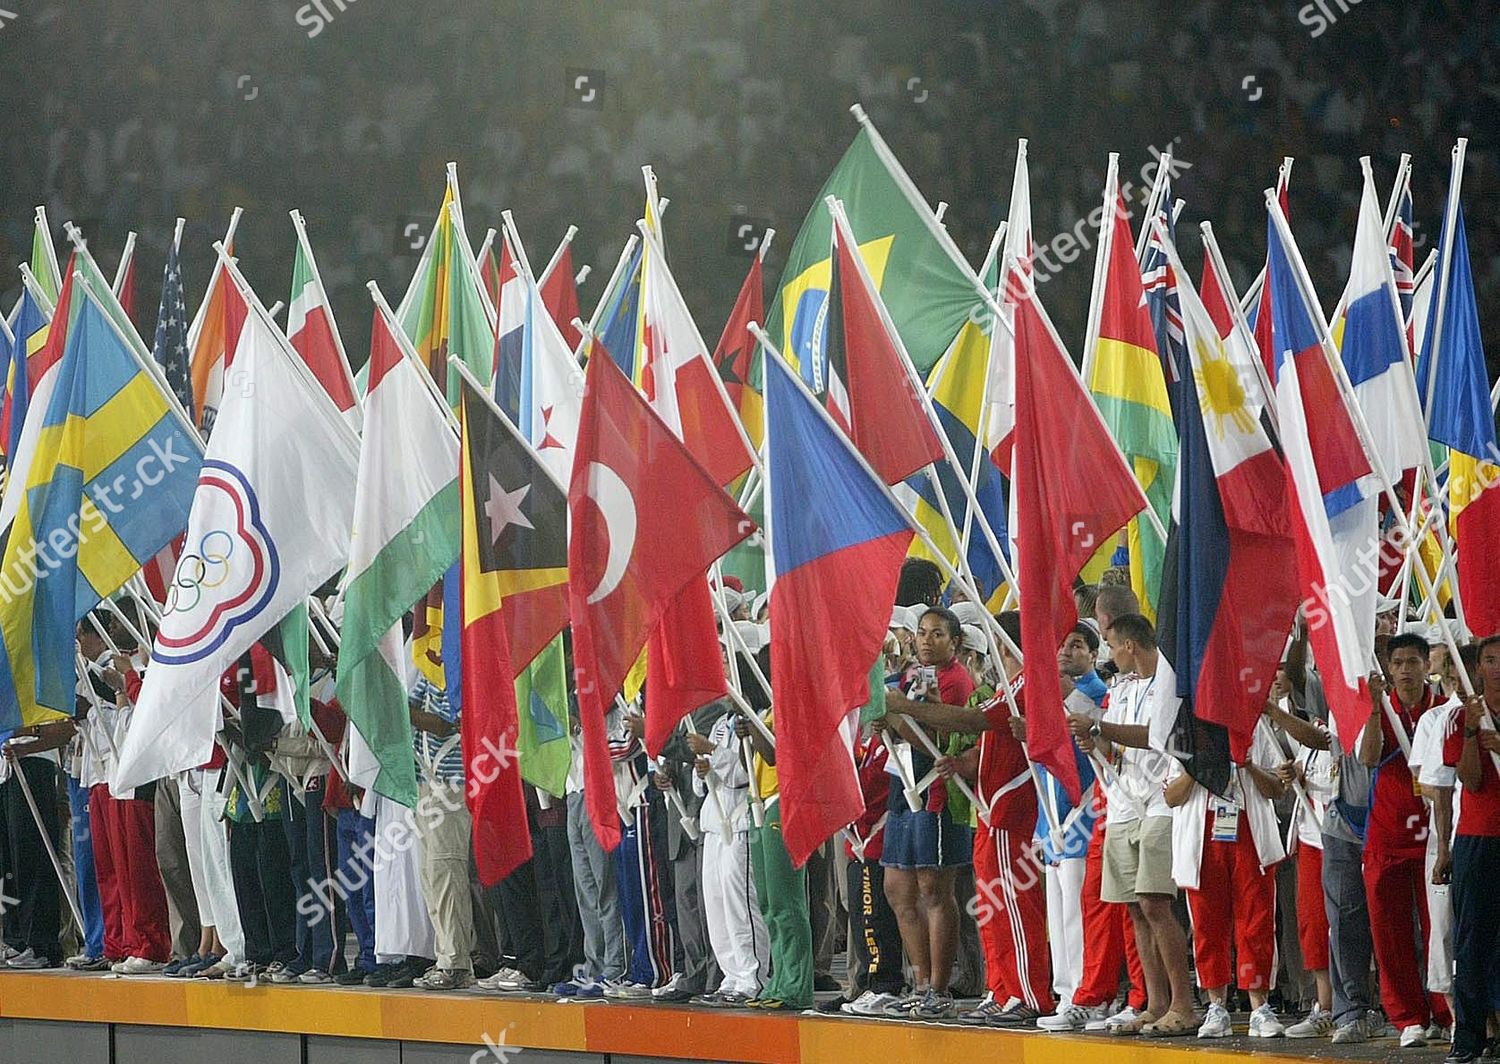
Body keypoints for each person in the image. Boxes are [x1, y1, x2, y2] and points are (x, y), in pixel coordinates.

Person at [899, 610, 1052, 1026]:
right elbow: (986, 739)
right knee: (990, 906)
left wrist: (906, 706)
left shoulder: (1025, 684)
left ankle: (1028, 994)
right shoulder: (1007, 685)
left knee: (1013, 909)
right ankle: (1001, 989)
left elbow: (974, 720)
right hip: (988, 806)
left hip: (1009, 808)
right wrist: (962, 762)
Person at [1068, 613, 1196, 1036]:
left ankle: (1183, 1004)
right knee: (1135, 909)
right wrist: (1096, 742)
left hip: (1161, 801)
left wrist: (1101, 727)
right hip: (1122, 803)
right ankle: (1155, 1003)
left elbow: (1157, 735)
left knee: (1156, 903)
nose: (1108, 653)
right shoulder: (1121, 688)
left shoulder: (1169, 682)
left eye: (1110, 644)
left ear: (1129, 646)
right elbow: (1117, 742)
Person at [876, 607, 976, 1020]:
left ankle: (939, 987)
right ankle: (918, 981)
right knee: (897, 889)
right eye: (921, 633)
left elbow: (941, 741)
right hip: (902, 789)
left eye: (937, 634)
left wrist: (899, 717)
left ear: (955, 641)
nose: (926, 640)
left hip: (936, 791)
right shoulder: (908, 677)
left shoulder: (958, 682)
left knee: (935, 889)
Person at [1164, 715, 1288, 1038]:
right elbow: (1171, 795)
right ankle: (1216, 1006)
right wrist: (1197, 767)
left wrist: (1247, 765)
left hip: (1249, 829)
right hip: (1202, 834)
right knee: (1207, 924)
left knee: (1257, 921)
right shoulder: (1186, 728)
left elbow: (1277, 787)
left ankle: (1259, 1006)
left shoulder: (1254, 723)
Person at [1357, 633, 1454, 1046]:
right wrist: (1375, 709)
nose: (1405, 670)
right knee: (1389, 932)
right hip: (1387, 834)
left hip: (1435, 836)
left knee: (1440, 929)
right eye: (1397, 663)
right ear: (1389, 668)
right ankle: (1408, 1017)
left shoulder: (1441, 711)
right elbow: (1368, 758)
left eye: (1413, 661)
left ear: (1425, 665)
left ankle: (1446, 1012)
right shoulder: (1383, 707)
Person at [1443, 636, 1500, 1064]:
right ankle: (1468, 1039)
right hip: (1477, 840)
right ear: (1477, 666)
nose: (1496, 667)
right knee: (1472, 941)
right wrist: (1470, 733)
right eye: (1490, 660)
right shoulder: (1464, 718)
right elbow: (1471, 779)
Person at [690, 703, 768, 1005]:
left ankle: (752, 977)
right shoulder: (721, 723)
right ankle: (731, 975)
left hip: (739, 820)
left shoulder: (757, 720)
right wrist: (702, 769)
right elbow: (701, 785)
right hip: (713, 821)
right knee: (717, 903)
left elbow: (744, 773)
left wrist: (713, 752)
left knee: (741, 904)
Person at [408, 674, 476, 990]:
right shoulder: (427, 668)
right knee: (430, 876)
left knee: (447, 872)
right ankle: (445, 957)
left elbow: (447, 723)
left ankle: (458, 963)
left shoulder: (466, 669)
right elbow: (409, 705)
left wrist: (395, 708)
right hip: (425, 782)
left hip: (452, 783)